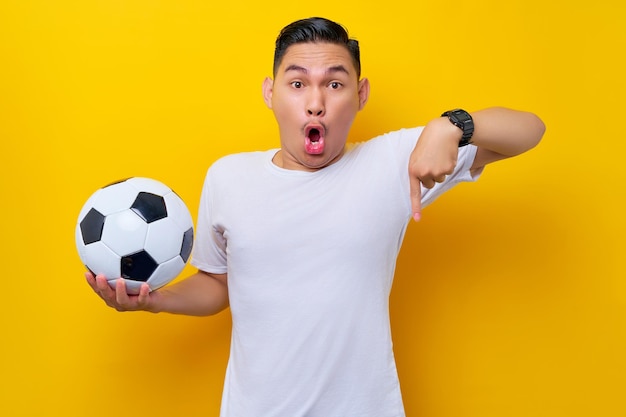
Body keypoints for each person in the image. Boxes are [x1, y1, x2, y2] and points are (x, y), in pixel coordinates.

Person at [86, 17, 545, 417]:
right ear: (270, 92)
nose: (316, 102)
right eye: (298, 82)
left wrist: (452, 125)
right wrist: (152, 301)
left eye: (335, 83)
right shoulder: (228, 176)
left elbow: (529, 131)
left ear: (360, 94)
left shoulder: (390, 163)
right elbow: (218, 283)